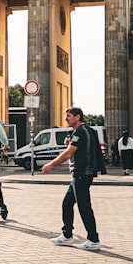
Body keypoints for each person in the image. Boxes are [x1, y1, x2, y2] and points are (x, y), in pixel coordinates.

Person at [43, 107, 104, 251]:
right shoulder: (83, 131)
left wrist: (51, 165)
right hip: (80, 174)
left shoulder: (81, 132)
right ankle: (67, 235)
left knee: (84, 207)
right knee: (67, 203)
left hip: (82, 173)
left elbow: (68, 154)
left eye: (69, 116)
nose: (66, 119)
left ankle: (93, 239)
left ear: (77, 117)